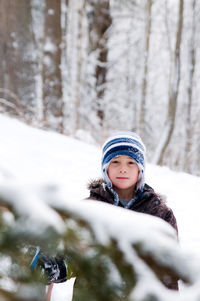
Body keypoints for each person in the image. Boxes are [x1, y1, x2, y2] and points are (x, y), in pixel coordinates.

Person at [87, 131, 178, 289]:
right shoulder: (89, 209)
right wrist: (59, 266)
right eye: (115, 162)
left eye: (131, 162)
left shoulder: (160, 214)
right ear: (105, 168)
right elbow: (73, 255)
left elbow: (169, 270)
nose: (123, 169)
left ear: (140, 169)